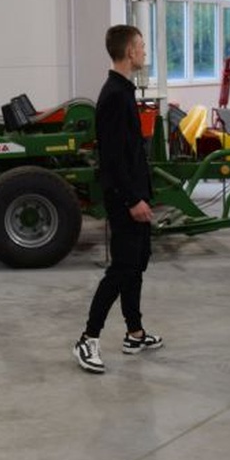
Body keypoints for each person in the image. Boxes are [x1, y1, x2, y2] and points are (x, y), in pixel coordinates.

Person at [75, 25, 162, 373]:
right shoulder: (114, 95)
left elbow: (131, 153)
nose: (144, 52)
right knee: (121, 269)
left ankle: (134, 333)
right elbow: (112, 159)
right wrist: (131, 200)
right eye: (141, 46)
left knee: (136, 264)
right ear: (129, 52)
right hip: (125, 199)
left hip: (136, 195)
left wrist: (142, 195)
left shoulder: (124, 90)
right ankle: (88, 338)